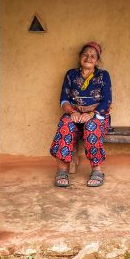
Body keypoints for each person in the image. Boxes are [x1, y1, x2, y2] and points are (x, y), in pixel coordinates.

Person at [50, 41, 112, 188]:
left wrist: (91, 113)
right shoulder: (71, 74)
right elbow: (64, 99)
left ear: (97, 60)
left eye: (93, 56)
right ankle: (61, 171)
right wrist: (72, 112)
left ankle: (97, 171)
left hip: (96, 114)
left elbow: (107, 101)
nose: (88, 58)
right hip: (75, 113)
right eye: (85, 54)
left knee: (91, 126)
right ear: (80, 57)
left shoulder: (103, 75)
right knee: (66, 124)